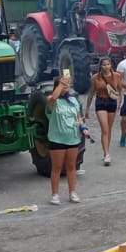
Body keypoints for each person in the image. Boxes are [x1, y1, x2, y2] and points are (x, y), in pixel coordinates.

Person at [44, 70, 82, 205]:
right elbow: (53, 98)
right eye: (65, 85)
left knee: (71, 167)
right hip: (57, 139)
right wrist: (61, 84)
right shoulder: (52, 101)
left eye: (68, 85)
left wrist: (83, 127)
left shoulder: (73, 100)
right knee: (57, 167)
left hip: (73, 138)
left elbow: (78, 117)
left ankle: (72, 192)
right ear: (57, 86)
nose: (67, 87)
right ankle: (55, 194)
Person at [91, 57, 119, 166]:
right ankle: (107, 154)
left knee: (109, 129)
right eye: (104, 65)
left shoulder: (116, 76)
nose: (106, 67)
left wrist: (121, 101)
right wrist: (87, 108)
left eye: (108, 64)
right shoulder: (95, 77)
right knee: (105, 129)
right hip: (100, 102)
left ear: (111, 65)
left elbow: (120, 89)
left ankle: (106, 151)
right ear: (100, 66)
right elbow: (91, 93)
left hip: (112, 102)